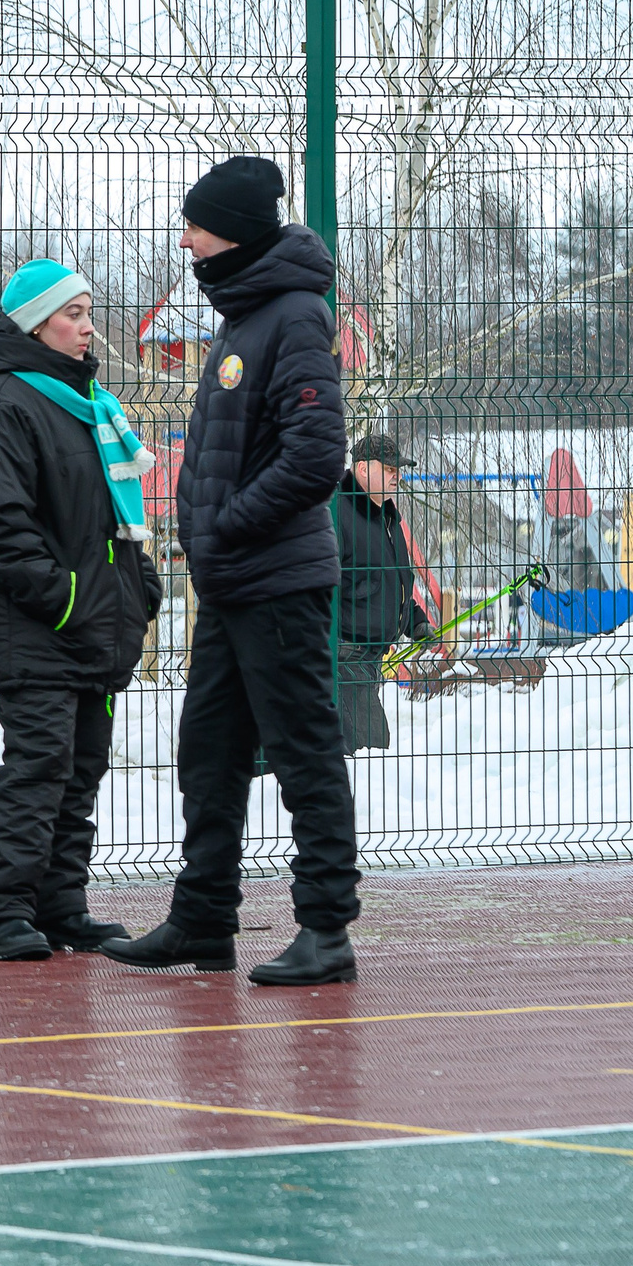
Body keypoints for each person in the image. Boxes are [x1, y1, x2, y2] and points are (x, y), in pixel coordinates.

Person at [102, 157, 361, 987]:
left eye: (197, 225)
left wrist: (228, 525)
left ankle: (326, 929)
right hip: (232, 582)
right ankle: (203, 919)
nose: (185, 241)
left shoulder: (291, 319)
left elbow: (316, 455)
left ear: (237, 233)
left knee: (303, 750)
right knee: (209, 753)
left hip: (275, 579)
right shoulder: (241, 317)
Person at [0, 261, 162, 961]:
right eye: (73, 312)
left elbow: (114, 514)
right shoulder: (4, 402)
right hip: (39, 625)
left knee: (80, 770)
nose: (88, 325)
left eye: (89, 310)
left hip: (97, 623)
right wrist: (68, 596)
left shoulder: (90, 404)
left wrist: (141, 585)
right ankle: (3, 909)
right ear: (35, 322)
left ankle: (61, 905)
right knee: (39, 764)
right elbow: (0, 525)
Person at [333, 433, 432, 754]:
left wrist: (413, 620)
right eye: (389, 468)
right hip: (344, 657)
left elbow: (397, 580)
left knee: (364, 754)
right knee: (371, 749)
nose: (397, 475)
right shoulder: (336, 514)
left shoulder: (387, 517)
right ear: (361, 469)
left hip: (369, 659)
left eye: (397, 469)